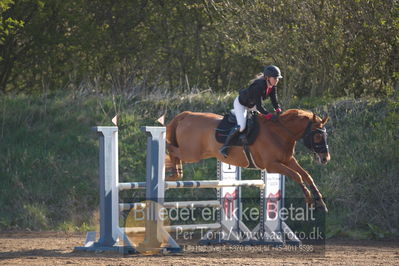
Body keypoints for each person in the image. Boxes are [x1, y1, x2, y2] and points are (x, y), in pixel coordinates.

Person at [219, 65, 283, 157]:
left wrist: (278, 109)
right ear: (267, 78)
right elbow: (260, 106)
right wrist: (268, 115)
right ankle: (225, 146)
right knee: (242, 126)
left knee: (261, 123)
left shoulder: (272, 86)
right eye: (275, 78)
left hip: (252, 105)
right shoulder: (259, 86)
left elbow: (274, 100)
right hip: (242, 104)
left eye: (278, 78)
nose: (277, 80)